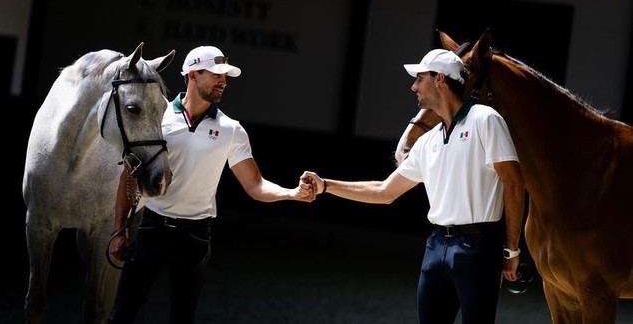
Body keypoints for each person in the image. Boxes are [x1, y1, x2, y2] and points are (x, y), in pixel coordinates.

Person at [302, 48, 525, 324]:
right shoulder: (427, 142)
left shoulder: (485, 119)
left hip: (478, 246)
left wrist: (511, 249)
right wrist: (325, 185)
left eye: (420, 79)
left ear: (440, 79)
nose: (413, 86)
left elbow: (514, 184)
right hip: (435, 247)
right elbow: (384, 192)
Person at [107, 45, 315, 323]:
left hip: (194, 235)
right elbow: (128, 176)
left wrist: (291, 193)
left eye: (225, 76)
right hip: (151, 227)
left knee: (183, 317)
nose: (224, 82)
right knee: (122, 313)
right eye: (216, 74)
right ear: (193, 75)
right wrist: (119, 230)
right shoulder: (158, 119)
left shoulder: (232, 130)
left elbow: (256, 185)